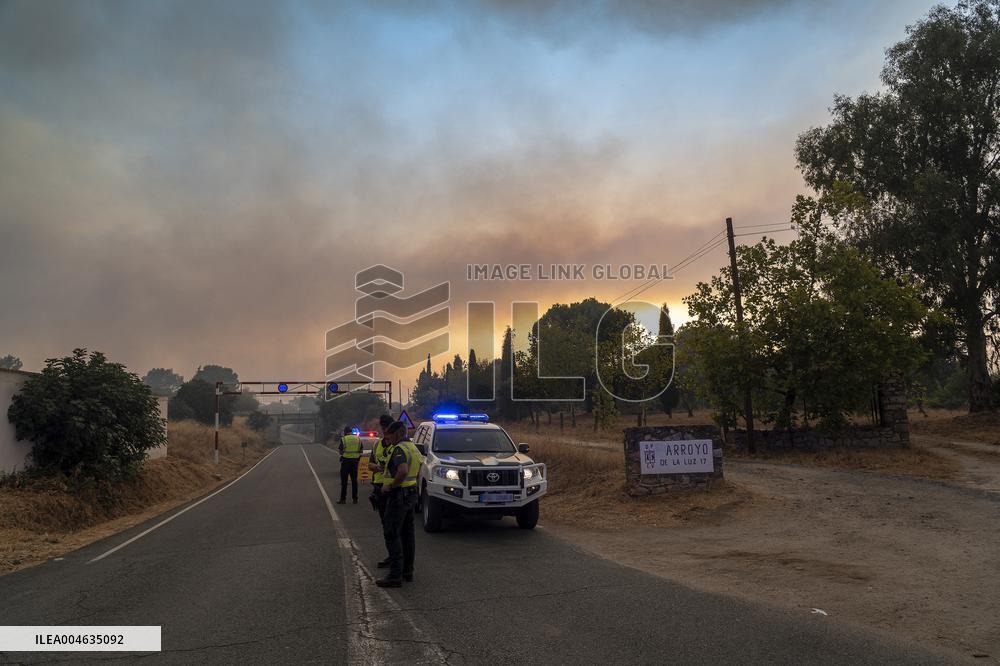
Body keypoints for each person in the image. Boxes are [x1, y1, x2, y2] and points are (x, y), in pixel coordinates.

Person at [376, 421, 421, 587]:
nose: (387, 437)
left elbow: (402, 471)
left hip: (398, 495)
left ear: (398, 434)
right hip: (410, 493)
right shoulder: (413, 448)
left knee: (392, 533)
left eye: (389, 434)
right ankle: (407, 572)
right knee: (408, 535)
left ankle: (395, 576)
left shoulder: (399, 449)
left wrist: (390, 486)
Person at [368, 414, 395, 524]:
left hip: (394, 487)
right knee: (385, 522)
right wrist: (377, 467)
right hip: (379, 486)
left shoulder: (398, 444)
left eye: (387, 428)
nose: (384, 431)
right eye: (383, 428)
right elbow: (370, 464)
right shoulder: (377, 444)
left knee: (393, 523)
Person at [337, 426, 363, 504]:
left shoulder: (344, 439)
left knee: (344, 481)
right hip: (355, 462)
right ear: (351, 431)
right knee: (354, 481)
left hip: (346, 462)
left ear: (345, 432)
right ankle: (355, 499)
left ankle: (343, 499)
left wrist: (345, 453)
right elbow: (361, 450)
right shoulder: (358, 439)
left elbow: (340, 451)